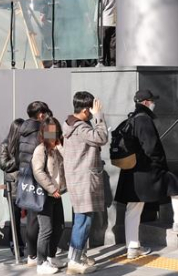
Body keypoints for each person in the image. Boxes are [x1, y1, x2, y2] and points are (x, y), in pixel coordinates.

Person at [115, 90, 178, 260]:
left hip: (132, 171)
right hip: (148, 170)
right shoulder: (144, 119)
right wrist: (159, 165)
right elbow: (151, 147)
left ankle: (132, 247)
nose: (154, 104)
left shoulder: (131, 118)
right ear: (146, 102)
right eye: (152, 101)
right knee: (177, 186)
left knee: (133, 208)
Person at [62, 92, 108, 274]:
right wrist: (99, 117)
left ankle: (77, 256)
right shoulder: (81, 128)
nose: (93, 111)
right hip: (84, 180)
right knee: (84, 220)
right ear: (85, 109)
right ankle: (74, 260)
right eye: (91, 108)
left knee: (81, 219)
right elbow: (102, 137)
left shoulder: (69, 123)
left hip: (77, 178)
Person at [18, 101, 52, 267]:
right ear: (41, 115)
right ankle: (43, 257)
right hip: (42, 175)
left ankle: (31, 255)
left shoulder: (22, 130)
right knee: (46, 219)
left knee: (32, 217)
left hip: (26, 177)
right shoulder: (44, 129)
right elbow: (53, 150)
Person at [31, 117, 67, 274]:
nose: (54, 135)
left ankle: (51, 257)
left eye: (56, 131)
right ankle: (41, 262)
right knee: (46, 229)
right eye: (50, 132)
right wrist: (51, 188)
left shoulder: (58, 148)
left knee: (59, 226)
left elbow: (70, 161)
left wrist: (60, 147)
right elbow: (38, 171)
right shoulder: (40, 150)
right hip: (46, 195)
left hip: (57, 195)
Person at [0, 118, 25, 256]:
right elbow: (3, 165)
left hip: (26, 185)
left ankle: (24, 245)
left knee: (30, 218)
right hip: (13, 188)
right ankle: (15, 245)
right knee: (15, 220)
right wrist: (18, 158)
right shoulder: (5, 145)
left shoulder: (25, 143)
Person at [97, 0, 116, 67]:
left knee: (103, 44)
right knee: (112, 45)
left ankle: (102, 62)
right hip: (114, 21)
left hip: (104, 21)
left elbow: (100, 7)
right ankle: (113, 63)